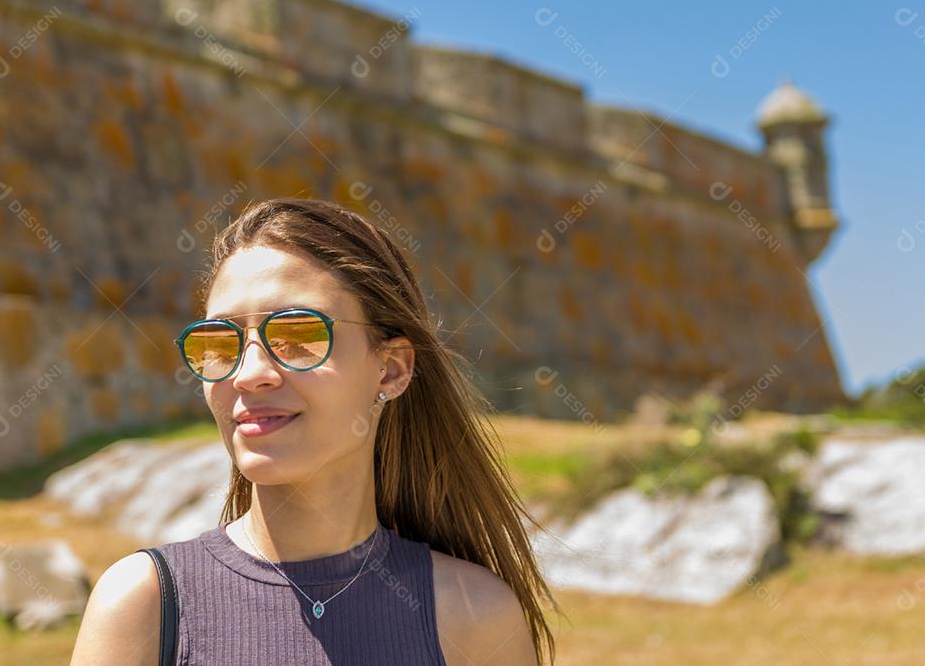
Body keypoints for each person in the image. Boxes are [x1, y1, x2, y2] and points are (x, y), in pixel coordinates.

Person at [70, 197, 560, 665]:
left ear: (390, 370)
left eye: (298, 335)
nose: (248, 373)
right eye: (220, 342)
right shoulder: (143, 606)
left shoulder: (477, 617)